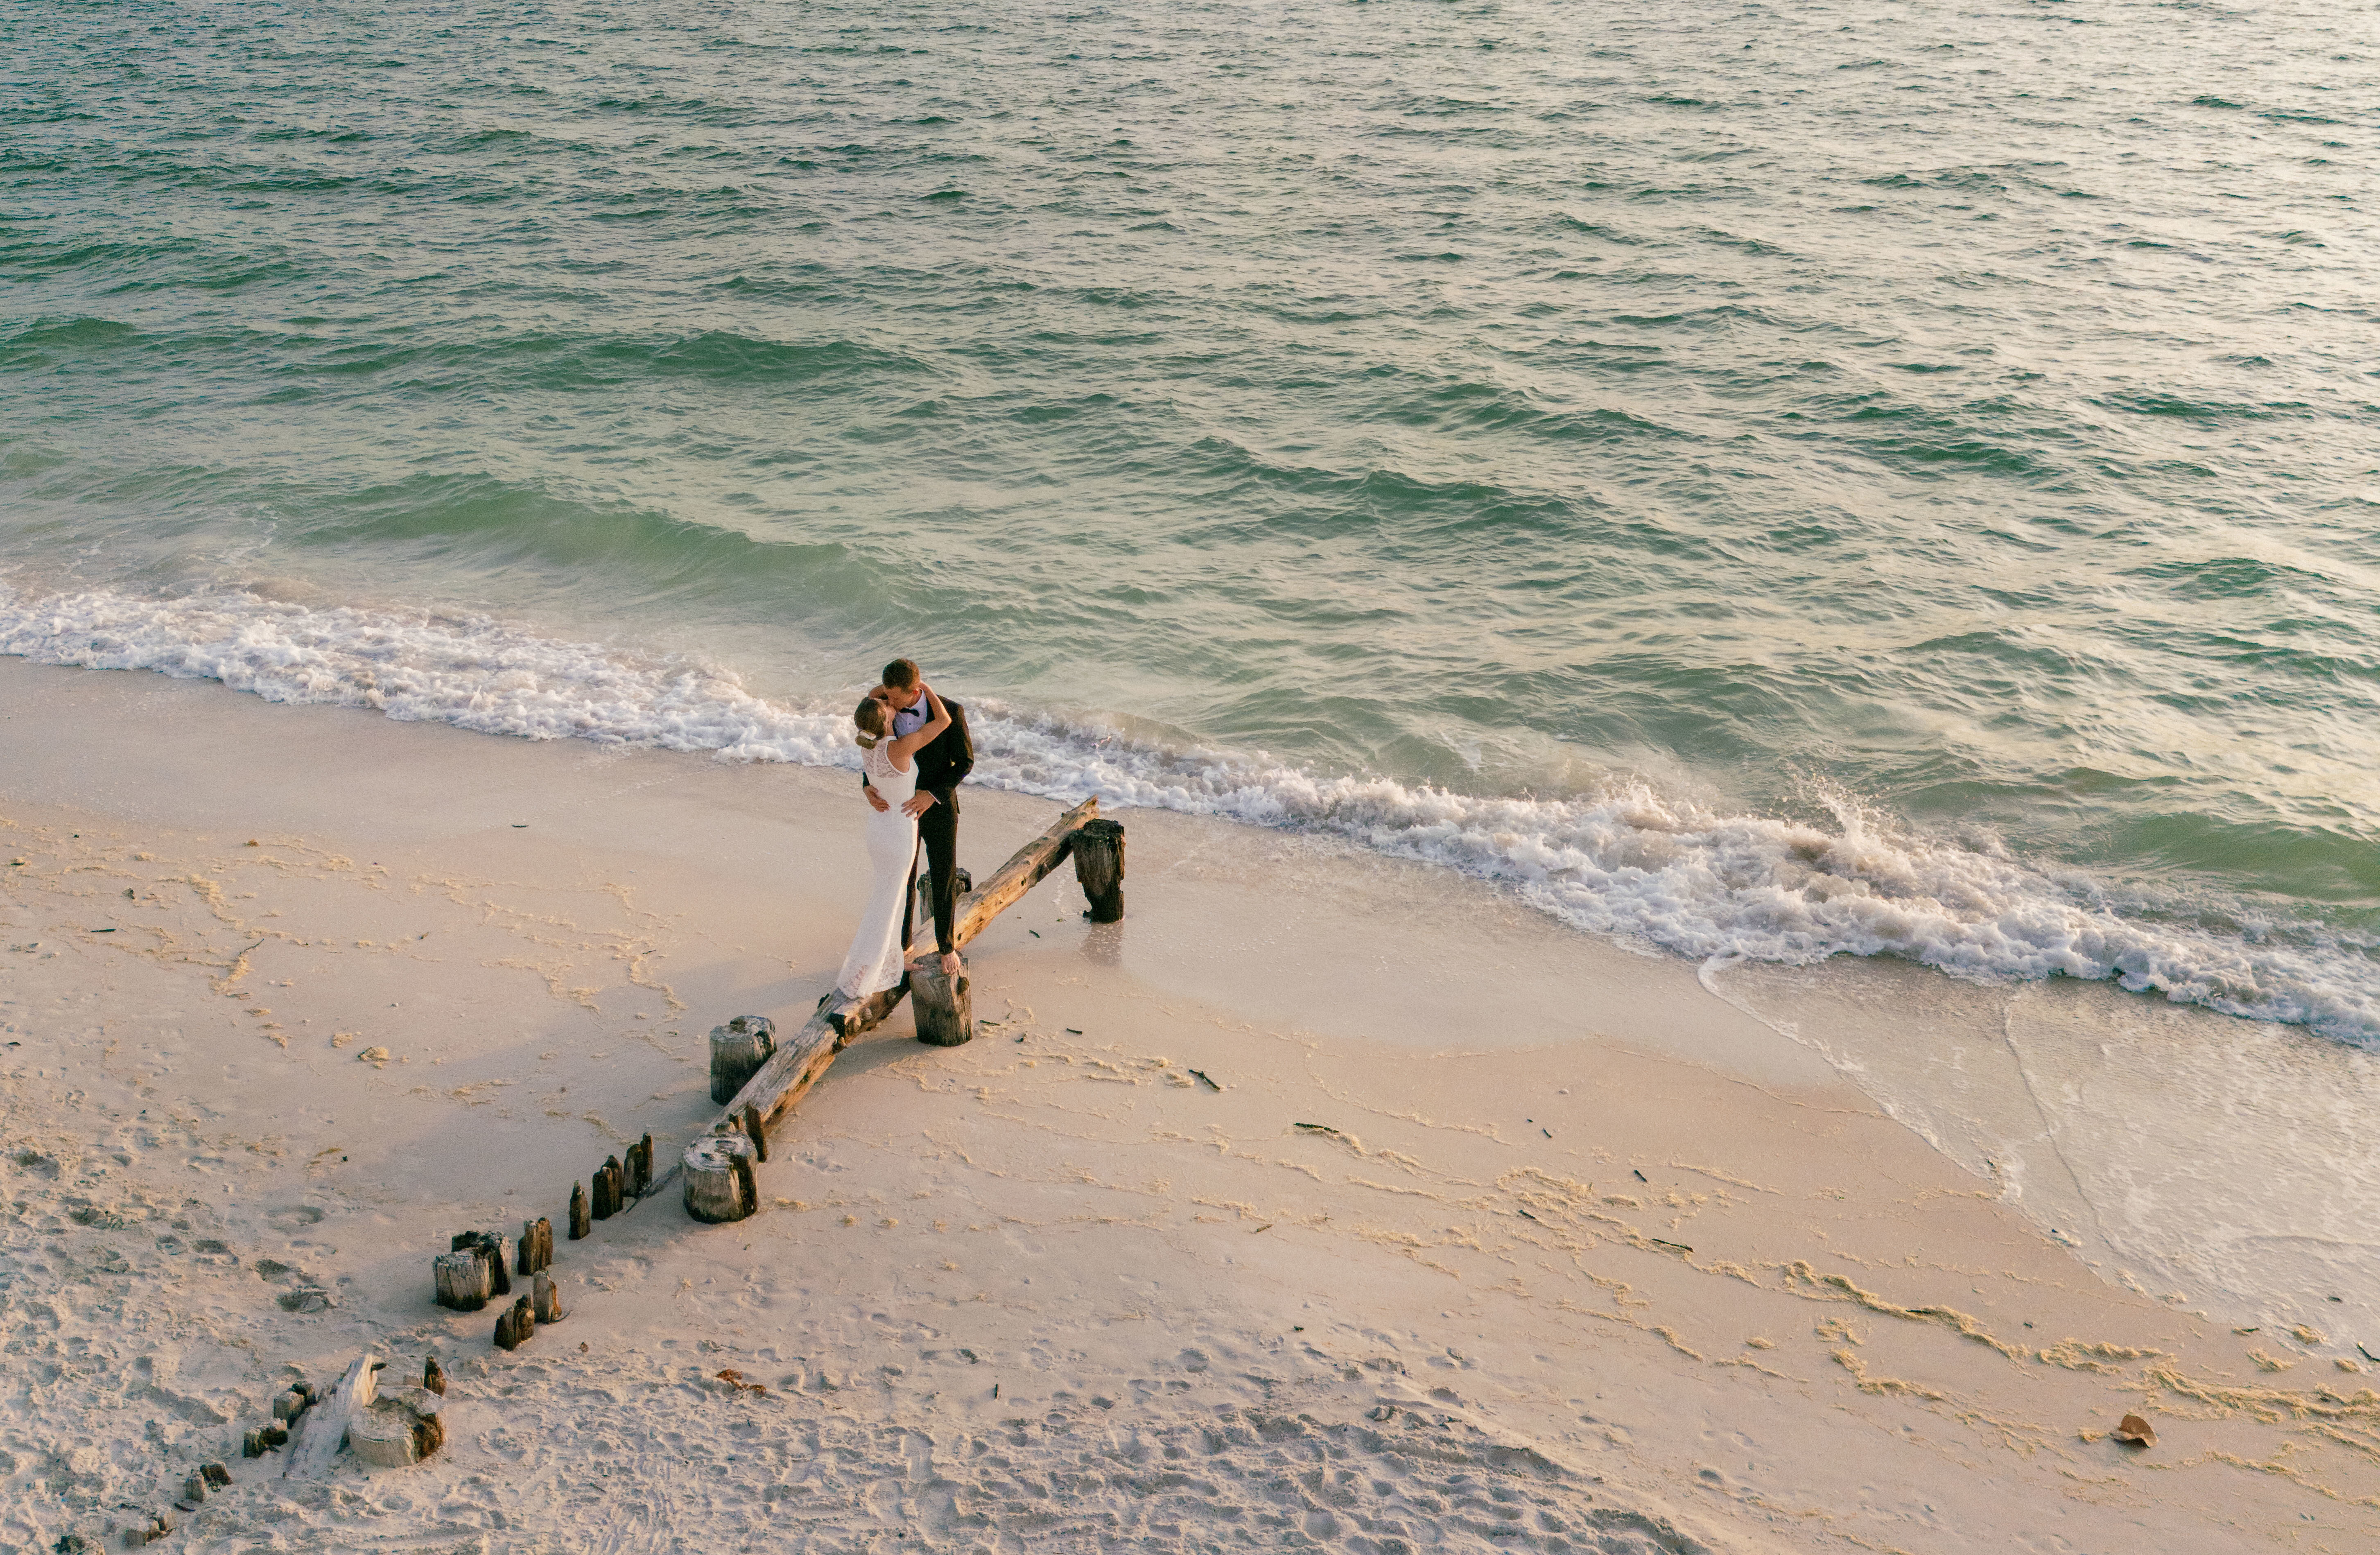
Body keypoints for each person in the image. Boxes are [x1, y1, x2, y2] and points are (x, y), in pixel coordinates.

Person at [833, 680, 953, 999]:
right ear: (886, 719)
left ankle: (889, 962)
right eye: (887, 704)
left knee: (886, 900)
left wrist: (884, 692)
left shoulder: (867, 746)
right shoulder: (898, 748)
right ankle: (866, 971)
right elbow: (943, 723)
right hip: (899, 833)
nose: (890, 703)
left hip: (878, 830)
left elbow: (869, 702)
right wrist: (923, 688)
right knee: (888, 904)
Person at [860, 658, 974, 977]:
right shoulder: (885, 709)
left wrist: (932, 794)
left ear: (913, 692)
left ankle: (946, 946)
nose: (887, 702)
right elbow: (874, 746)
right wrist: (868, 785)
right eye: (885, 695)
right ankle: (901, 947)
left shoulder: (952, 710)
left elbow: (965, 762)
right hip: (899, 809)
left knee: (943, 875)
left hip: (938, 806)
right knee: (904, 879)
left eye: (894, 697)